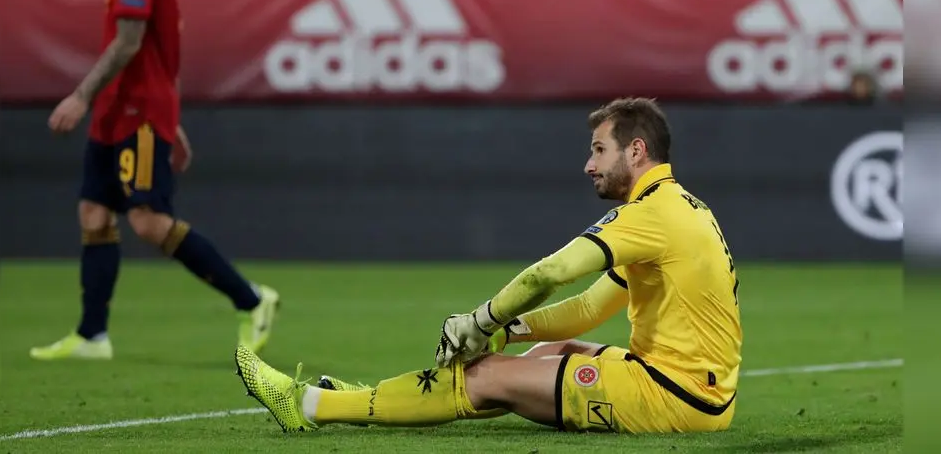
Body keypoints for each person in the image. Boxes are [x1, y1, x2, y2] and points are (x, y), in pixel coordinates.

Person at [234, 97, 742, 434]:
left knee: (484, 377)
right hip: (702, 391)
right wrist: (509, 329)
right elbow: (590, 307)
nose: (589, 164)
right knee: (549, 350)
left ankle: (309, 407)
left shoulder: (649, 214)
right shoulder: (682, 207)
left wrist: (481, 321)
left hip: (676, 398)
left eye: (599, 150)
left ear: (636, 151)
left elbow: (551, 274)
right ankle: (362, 396)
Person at [31, 0, 279, 361]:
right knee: (94, 212)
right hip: (119, 109)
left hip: (135, 111)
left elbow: (129, 43)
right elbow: (164, 48)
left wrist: (80, 96)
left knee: (147, 220)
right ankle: (92, 335)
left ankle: (252, 299)